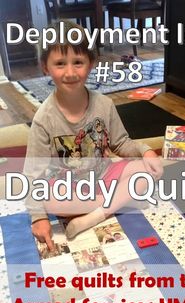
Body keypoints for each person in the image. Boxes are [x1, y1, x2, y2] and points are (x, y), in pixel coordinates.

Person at [24, 21, 163, 250]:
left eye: (78, 62)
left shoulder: (104, 104)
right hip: (67, 188)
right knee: (48, 200)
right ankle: (113, 204)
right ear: (45, 67)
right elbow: (32, 174)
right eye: (60, 64)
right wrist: (38, 218)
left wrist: (146, 150)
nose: (70, 72)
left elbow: (121, 143)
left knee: (145, 171)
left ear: (91, 64)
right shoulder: (44, 119)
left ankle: (94, 216)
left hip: (102, 176)